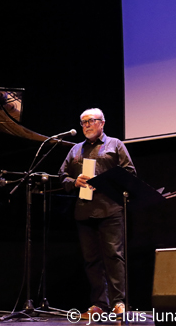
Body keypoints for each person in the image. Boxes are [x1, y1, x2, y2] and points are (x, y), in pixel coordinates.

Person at [58, 108, 135, 319]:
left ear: (102, 123)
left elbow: (129, 172)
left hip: (110, 209)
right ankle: (100, 304)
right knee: (91, 260)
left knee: (114, 256)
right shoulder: (75, 150)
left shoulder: (115, 144)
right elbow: (62, 176)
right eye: (83, 122)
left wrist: (105, 180)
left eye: (90, 121)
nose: (86, 125)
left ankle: (119, 303)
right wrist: (74, 181)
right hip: (84, 211)